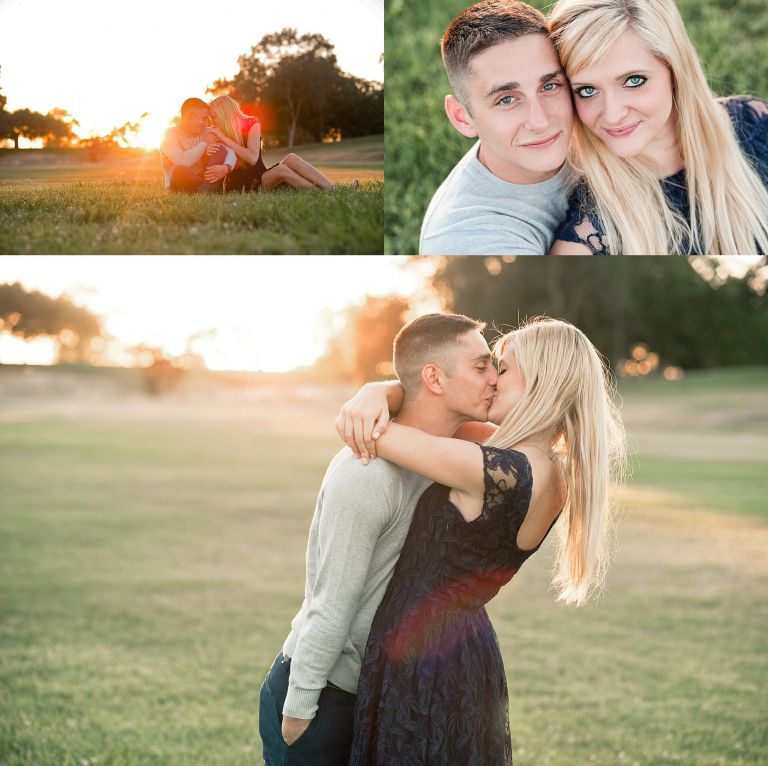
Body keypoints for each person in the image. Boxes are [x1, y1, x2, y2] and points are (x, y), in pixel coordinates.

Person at [335, 317, 626, 765]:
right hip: (458, 652)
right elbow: (423, 414)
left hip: (425, 664)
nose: (492, 379)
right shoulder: (541, 466)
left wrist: (367, 398)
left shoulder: (498, 472)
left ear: (540, 382)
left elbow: (375, 430)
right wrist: (381, 389)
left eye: (503, 368)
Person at [258, 314, 499, 766]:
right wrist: (300, 709)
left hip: (380, 695)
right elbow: (329, 603)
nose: (494, 379)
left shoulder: (453, 455)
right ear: (434, 377)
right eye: (482, 366)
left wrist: (379, 389)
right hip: (324, 695)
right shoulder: (366, 473)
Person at [548, 0, 768, 255]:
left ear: (675, 71)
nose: (613, 114)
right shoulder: (589, 231)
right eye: (587, 90)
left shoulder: (756, 124)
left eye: (633, 81)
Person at [419, 0, 575, 256]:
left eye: (549, 86)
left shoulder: (601, 118)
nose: (541, 121)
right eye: (507, 99)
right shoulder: (463, 238)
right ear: (462, 118)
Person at [207, 95, 355, 192]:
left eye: (214, 117)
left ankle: (334, 190)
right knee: (282, 169)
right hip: (240, 185)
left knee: (291, 158)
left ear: (224, 113)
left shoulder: (251, 123)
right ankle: (327, 194)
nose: (212, 121)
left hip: (260, 175)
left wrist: (226, 139)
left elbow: (252, 158)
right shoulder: (217, 132)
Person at [159, 98, 236, 193]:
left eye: (208, 119)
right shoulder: (169, 135)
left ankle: (206, 188)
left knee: (220, 149)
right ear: (190, 116)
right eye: (204, 118)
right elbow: (183, 161)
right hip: (181, 182)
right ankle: (208, 189)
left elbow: (231, 152)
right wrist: (204, 143)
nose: (207, 123)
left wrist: (226, 167)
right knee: (179, 170)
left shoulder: (207, 131)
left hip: (205, 178)